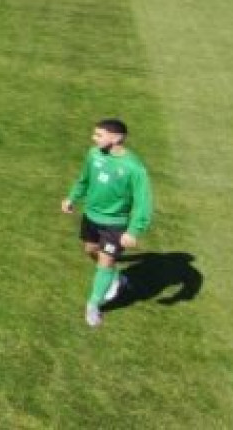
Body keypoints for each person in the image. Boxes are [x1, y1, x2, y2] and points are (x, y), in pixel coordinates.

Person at [61, 118, 154, 328]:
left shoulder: (135, 168)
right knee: (90, 250)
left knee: (105, 261)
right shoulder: (93, 154)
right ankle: (115, 278)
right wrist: (72, 198)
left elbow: (143, 202)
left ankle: (93, 305)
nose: (94, 139)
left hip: (115, 224)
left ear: (117, 138)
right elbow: (84, 179)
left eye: (99, 135)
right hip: (91, 217)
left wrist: (133, 231)